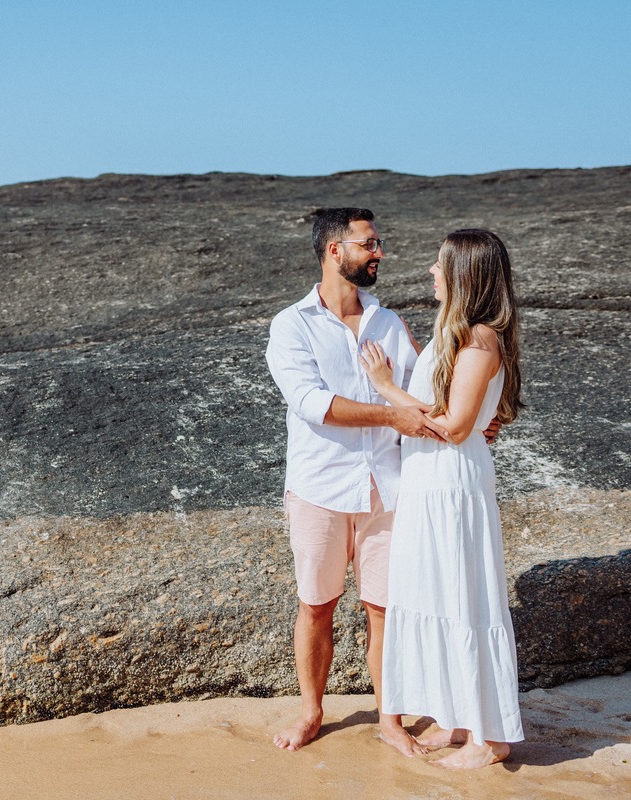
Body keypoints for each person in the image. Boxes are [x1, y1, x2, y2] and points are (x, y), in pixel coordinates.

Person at [265, 208, 447, 756]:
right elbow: (312, 404)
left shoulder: (389, 323)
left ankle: (389, 720)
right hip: (320, 488)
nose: (379, 253)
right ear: (333, 251)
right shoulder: (290, 325)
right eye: (370, 243)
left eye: (378, 243)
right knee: (317, 605)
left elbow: (422, 392)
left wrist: (472, 414)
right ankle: (311, 712)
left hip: (388, 490)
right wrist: (392, 416)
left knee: (384, 609)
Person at [358, 228, 524, 769]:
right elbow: (462, 416)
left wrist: (386, 389)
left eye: (438, 265)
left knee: (461, 596)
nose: (430, 272)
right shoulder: (455, 335)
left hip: (453, 482)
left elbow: (453, 427)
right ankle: (459, 719)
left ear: (463, 275)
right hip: (429, 481)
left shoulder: (480, 338)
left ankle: (489, 739)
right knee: (436, 594)